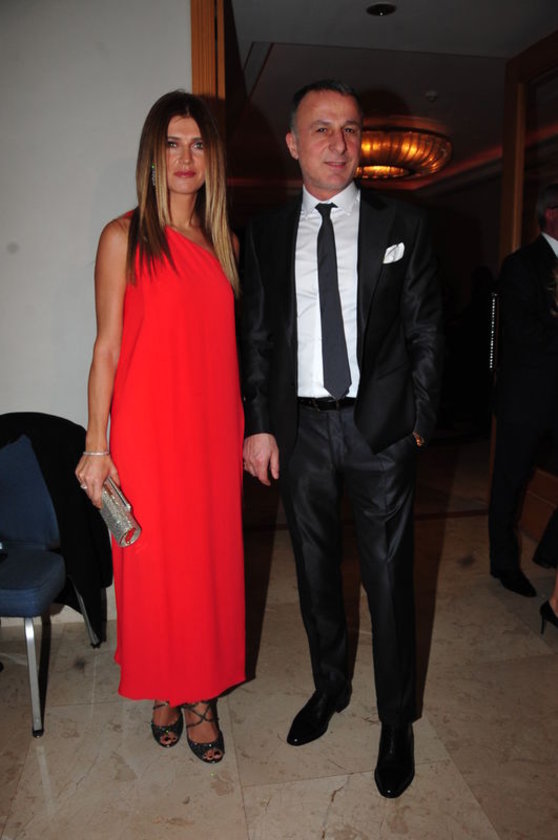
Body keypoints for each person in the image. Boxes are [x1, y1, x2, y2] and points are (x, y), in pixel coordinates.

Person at [240, 80, 443, 798]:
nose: (339, 142)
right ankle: (330, 686)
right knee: (316, 574)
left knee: (388, 580)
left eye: (350, 128)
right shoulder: (264, 233)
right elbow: (257, 339)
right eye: (321, 128)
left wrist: (419, 420)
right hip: (299, 432)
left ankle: (396, 719)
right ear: (293, 144)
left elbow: (426, 328)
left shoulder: (403, 223)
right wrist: (259, 424)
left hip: (380, 430)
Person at [75, 91, 245, 763]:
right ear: (153, 155)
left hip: (211, 433)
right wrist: (96, 445)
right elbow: (106, 349)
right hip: (147, 435)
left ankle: (199, 695)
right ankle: (163, 688)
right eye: (173, 143)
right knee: (154, 573)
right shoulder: (123, 237)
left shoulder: (225, 243)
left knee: (205, 568)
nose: (186, 157)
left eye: (198, 144)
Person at [489, 184, 558, 598]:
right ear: (551, 214)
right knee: (509, 483)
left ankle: (550, 550)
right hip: (526, 398)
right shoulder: (521, 265)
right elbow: (522, 332)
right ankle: (503, 564)